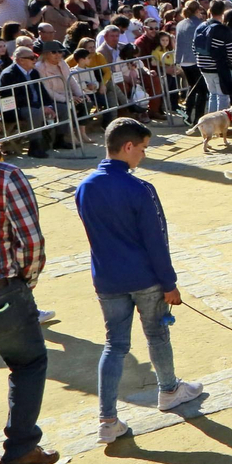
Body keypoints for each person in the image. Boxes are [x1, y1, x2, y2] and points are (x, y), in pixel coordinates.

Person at [75, 117, 204, 443]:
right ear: (128, 147)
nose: (143, 156)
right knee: (157, 335)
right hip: (145, 277)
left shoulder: (85, 187)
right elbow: (156, 240)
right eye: (142, 149)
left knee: (114, 346)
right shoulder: (140, 189)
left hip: (107, 279)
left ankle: (107, 419)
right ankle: (169, 389)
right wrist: (170, 282)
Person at [0, 153, 58, 464]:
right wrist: (25, 283)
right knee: (28, 363)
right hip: (2, 291)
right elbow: (30, 241)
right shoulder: (5, 176)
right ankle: (20, 447)